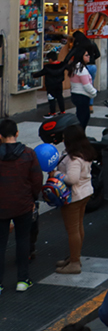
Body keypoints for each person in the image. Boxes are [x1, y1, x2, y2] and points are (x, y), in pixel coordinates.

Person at [0, 117, 42, 293]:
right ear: (17, 133)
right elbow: (37, 180)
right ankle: (23, 280)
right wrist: (33, 199)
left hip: (1, 207)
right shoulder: (28, 154)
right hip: (23, 204)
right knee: (23, 240)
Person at [54, 124, 95, 274]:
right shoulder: (85, 152)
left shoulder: (73, 158)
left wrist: (57, 175)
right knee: (78, 227)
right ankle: (74, 256)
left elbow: (72, 178)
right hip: (85, 193)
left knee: (72, 230)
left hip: (74, 196)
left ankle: (74, 263)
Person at [68, 49, 97, 128]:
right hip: (82, 96)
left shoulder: (74, 67)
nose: (89, 56)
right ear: (81, 57)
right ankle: (80, 136)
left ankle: (79, 135)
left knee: (81, 116)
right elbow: (86, 85)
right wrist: (94, 92)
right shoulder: (81, 70)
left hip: (75, 94)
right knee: (83, 118)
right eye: (86, 55)